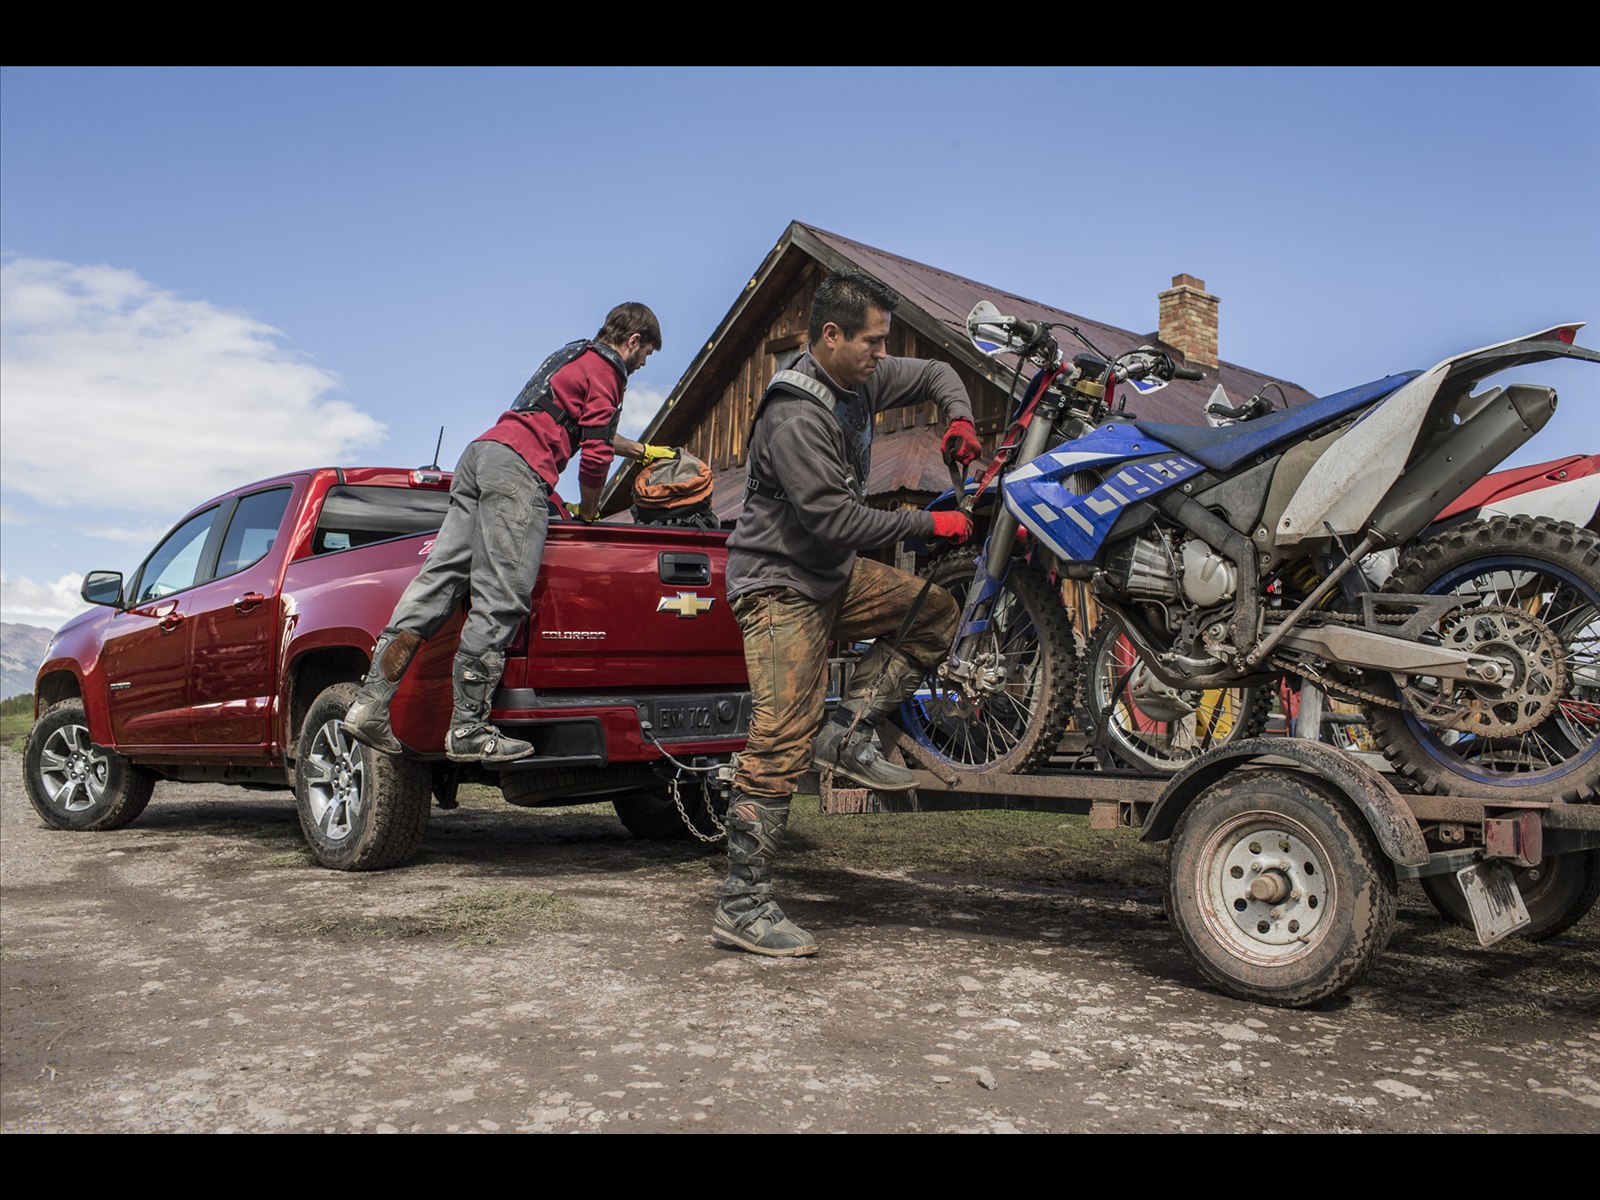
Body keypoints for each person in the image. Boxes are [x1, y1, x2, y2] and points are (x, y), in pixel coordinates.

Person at [713, 271, 982, 958]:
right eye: (870, 341)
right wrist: (933, 523)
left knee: (933, 612)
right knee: (779, 737)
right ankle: (742, 905)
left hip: (829, 576)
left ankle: (850, 725)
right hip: (779, 586)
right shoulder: (794, 415)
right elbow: (833, 520)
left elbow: (940, 373)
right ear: (830, 336)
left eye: (884, 341)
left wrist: (959, 420)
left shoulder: (860, 379)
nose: (879, 354)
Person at [341, 302, 673, 763]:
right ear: (633, 341)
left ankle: (369, 706)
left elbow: (577, 425)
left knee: (439, 585)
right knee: (502, 596)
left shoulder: (574, 356)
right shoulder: (609, 371)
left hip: (481, 456)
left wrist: (639, 450)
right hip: (518, 473)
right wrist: (592, 512)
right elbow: (594, 455)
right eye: (647, 355)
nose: (642, 365)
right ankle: (468, 730)